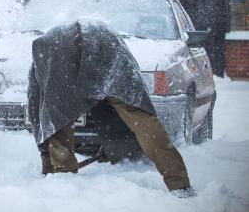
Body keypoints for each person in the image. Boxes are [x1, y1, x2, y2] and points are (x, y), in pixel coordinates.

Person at [27, 21, 193, 195]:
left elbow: (40, 115)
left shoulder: (43, 58)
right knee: (138, 114)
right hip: (107, 42)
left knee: (57, 119)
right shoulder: (49, 50)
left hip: (61, 50)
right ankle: (179, 182)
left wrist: (46, 159)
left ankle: (63, 181)